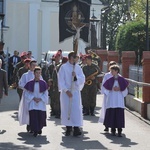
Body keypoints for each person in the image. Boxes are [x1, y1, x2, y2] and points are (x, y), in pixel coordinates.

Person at [58, 51, 85, 136]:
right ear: (70, 58)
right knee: (67, 110)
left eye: (76, 58)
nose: (75, 60)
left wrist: (76, 76)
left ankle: (76, 128)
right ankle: (68, 128)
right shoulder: (63, 67)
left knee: (76, 110)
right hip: (66, 92)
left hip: (75, 92)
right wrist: (66, 90)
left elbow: (82, 78)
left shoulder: (78, 68)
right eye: (74, 58)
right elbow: (61, 80)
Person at [103, 65, 129, 137]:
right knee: (112, 116)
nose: (111, 72)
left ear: (116, 71)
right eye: (111, 71)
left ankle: (120, 131)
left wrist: (120, 88)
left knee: (119, 116)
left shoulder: (122, 80)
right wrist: (110, 88)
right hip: (111, 100)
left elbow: (125, 92)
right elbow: (106, 90)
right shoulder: (110, 80)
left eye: (112, 71)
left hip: (119, 101)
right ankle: (113, 130)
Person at [23, 66, 48, 137]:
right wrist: (33, 98)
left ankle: (39, 128)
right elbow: (27, 93)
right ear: (34, 73)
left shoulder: (43, 83)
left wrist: (41, 99)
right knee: (33, 116)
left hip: (41, 102)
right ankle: (35, 130)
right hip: (33, 102)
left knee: (41, 116)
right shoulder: (30, 83)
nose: (38, 74)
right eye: (36, 73)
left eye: (39, 73)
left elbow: (45, 93)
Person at [18, 60, 37, 132]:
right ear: (29, 66)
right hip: (28, 95)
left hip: (36, 96)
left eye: (35, 65)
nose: (34, 67)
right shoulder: (25, 75)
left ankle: (35, 125)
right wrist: (27, 87)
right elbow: (20, 84)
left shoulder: (38, 75)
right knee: (28, 111)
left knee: (35, 111)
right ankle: (29, 124)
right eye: (33, 65)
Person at [99, 61, 117, 132]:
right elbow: (104, 85)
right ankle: (106, 125)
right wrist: (106, 92)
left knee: (114, 111)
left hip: (115, 96)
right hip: (108, 96)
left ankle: (113, 125)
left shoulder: (118, 76)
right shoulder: (107, 75)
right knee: (107, 110)